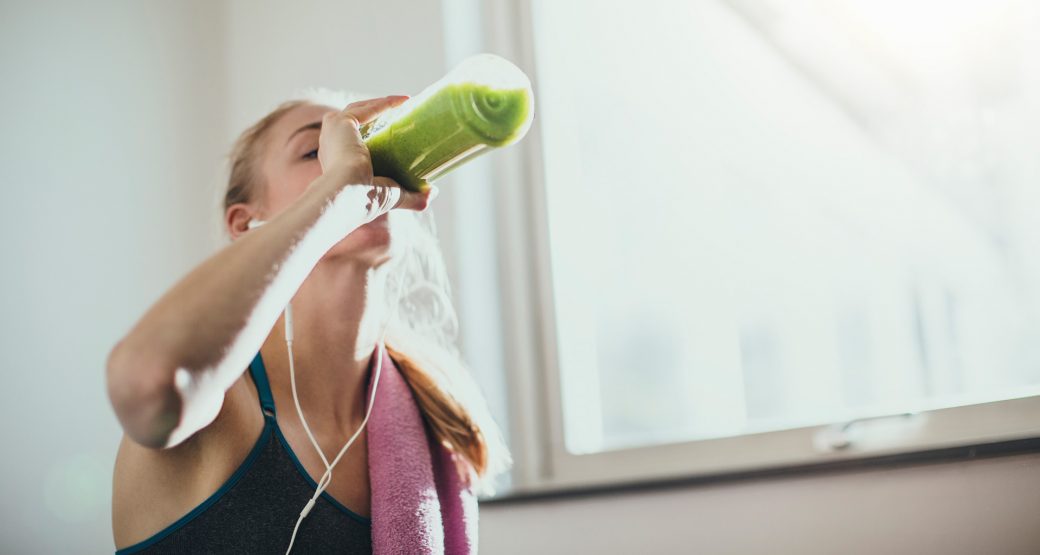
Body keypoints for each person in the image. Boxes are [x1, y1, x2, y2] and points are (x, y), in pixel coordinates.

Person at [106, 92, 509, 553]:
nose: (360, 161)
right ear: (244, 223)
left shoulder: (435, 426)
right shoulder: (221, 405)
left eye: (366, 144)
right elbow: (145, 380)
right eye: (316, 150)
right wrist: (336, 197)